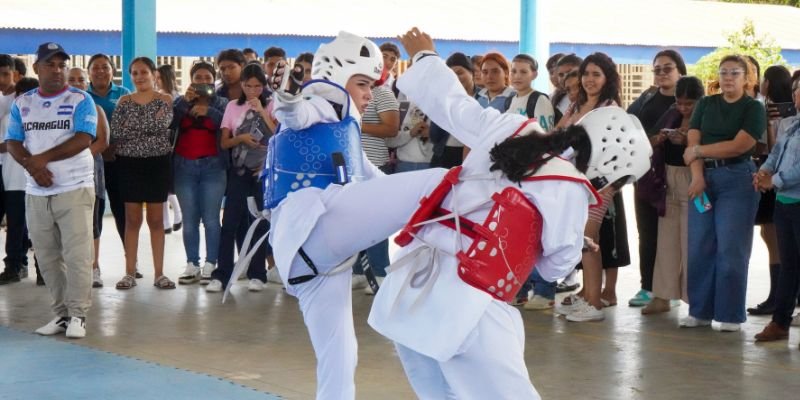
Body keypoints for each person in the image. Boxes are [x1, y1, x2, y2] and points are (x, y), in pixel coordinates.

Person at [365, 28, 650, 398]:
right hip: (472, 301)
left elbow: (453, 105)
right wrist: (569, 240)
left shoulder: (513, 127)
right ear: (608, 168)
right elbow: (555, 266)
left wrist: (425, 58)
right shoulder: (571, 187)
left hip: (413, 283)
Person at [6, 42, 97, 338]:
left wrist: (42, 159)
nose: (57, 70)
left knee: (77, 254)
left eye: (62, 65)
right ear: (36, 69)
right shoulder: (23, 103)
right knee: (46, 256)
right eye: (50, 65)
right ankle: (61, 315)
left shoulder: (81, 99)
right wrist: (33, 167)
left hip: (74, 187)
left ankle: (78, 316)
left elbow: (84, 138)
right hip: (36, 191)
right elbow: (13, 141)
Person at [681, 55, 765, 332]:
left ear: (746, 78)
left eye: (735, 73)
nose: (728, 77)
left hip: (737, 180)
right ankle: (700, 310)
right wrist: (697, 175)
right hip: (702, 178)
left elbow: (739, 145)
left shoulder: (753, 107)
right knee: (699, 246)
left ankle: (729, 314)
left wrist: (700, 152)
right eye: (724, 72)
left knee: (731, 249)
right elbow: (692, 140)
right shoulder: (706, 103)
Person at [555, 52, 630, 322]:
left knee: (588, 238)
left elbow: (619, 151)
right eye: (586, 73)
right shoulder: (576, 105)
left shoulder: (611, 108)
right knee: (582, 238)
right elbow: (558, 132)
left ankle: (595, 304)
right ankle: (588, 296)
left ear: (608, 78)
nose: (589, 79)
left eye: (596, 74)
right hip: (574, 181)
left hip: (599, 182)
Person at [110, 57, 175, 290]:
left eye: (144, 72)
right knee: (132, 220)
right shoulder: (123, 101)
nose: (139, 77)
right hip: (129, 165)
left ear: (153, 73)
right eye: (134, 73)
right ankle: (129, 272)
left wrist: (134, 128)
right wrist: (148, 127)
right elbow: (117, 132)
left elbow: (162, 126)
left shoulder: (164, 100)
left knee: (156, 220)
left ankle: (159, 273)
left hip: (157, 165)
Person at [627, 50, 687, 308]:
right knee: (647, 232)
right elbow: (628, 125)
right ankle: (647, 287)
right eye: (657, 69)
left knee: (673, 236)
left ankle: (669, 290)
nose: (662, 73)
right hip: (646, 174)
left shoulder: (689, 100)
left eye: (668, 68)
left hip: (677, 173)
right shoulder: (646, 99)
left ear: (680, 72)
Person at [640, 76, 704, 315]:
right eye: (680, 103)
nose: (684, 108)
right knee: (666, 241)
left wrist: (687, 138)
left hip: (694, 178)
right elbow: (650, 138)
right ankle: (662, 296)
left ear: (700, 100)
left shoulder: (707, 114)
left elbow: (712, 144)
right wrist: (662, 138)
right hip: (667, 177)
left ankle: (694, 300)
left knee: (691, 242)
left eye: (689, 104)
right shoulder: (670, 112)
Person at [207, 63, 270, 293]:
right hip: (239, 171)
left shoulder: (272, 105)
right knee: (230, 222)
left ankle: (258, 274)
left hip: (262, 173)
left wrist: (262, 111)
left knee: (261, 222)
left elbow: (278, 136)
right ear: (241, 85)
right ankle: (222, 274)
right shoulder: (233, 107)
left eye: (257, 86)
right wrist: (241, 137)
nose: (253, 90)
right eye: (248, 85)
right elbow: (225, 142)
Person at [171, 60, 229, 286]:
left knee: (212, 220)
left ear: (213, 81)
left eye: (207, 78)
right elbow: (170, 123)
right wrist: (185, 103)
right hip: (184, 168)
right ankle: (191, 264)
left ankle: (211, 264)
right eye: (198, 78)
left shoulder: (223, 103)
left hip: (213, 168)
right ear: (191, 80)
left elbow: (228, 124)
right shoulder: (180, 101)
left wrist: (209, 111)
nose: (203, 82)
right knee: (190, 219)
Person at [753, 78, 800, 344]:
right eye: (795, 90)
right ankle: (780, 322)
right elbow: (776, 153)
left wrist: (775, 180)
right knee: (789, 265)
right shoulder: (789, 124)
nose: (797, 94)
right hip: (785, 203)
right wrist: (764, 171)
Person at [747, 64, 794, 316]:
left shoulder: (778, 113)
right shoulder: (774, 109)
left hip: (778, 181)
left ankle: (779, 296)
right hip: (770, 176)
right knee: (771, 236)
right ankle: (779, 295)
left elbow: (771, 147)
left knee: (776, 239)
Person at [86, 54, 133, 274]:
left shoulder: (123, 94)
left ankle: (130, 262)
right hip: (91, 162)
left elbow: (131, 126)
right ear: (89, 72)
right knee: (95, 212)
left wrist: (114, 148)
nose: (100, 71)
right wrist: (99, 151)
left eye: (105, 67)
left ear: (112, 71)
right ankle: (93, 264)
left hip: (118, 160)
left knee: (122, 210)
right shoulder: (82, 96)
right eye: (95, 68)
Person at [68, 67, 110, 289]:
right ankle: (71, 270)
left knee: (91, 224)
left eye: (80, 80)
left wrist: (76, 155)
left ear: (87, 83)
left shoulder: (96, 108)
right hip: (63, 177)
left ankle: (94, 268)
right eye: (71, 80)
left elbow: (103, 141)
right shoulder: (57, 111)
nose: (76, 83)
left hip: (90, 174)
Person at [428, 52, 475, 169]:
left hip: (471, 157)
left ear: (471, 73)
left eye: (460, 72)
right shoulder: (443, 98)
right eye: (451, 74)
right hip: (443, 154)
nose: (456, 78)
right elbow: (434, 136)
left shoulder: (482, 98)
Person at [155, 64, 183, 235]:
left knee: (167, 185)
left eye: (159, 77)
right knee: (162, 185)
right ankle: (170, 220)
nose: (156, 81)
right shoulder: (156, 96)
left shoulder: (175, 98)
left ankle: (174, 217)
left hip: (171, 146)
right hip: (157, 145)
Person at [505, 54, 555, 131]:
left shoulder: (540, 100)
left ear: (534, 75)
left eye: (523, 72)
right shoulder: (509, 100)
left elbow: (545, 137)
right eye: (513, 71)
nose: (517, 76)